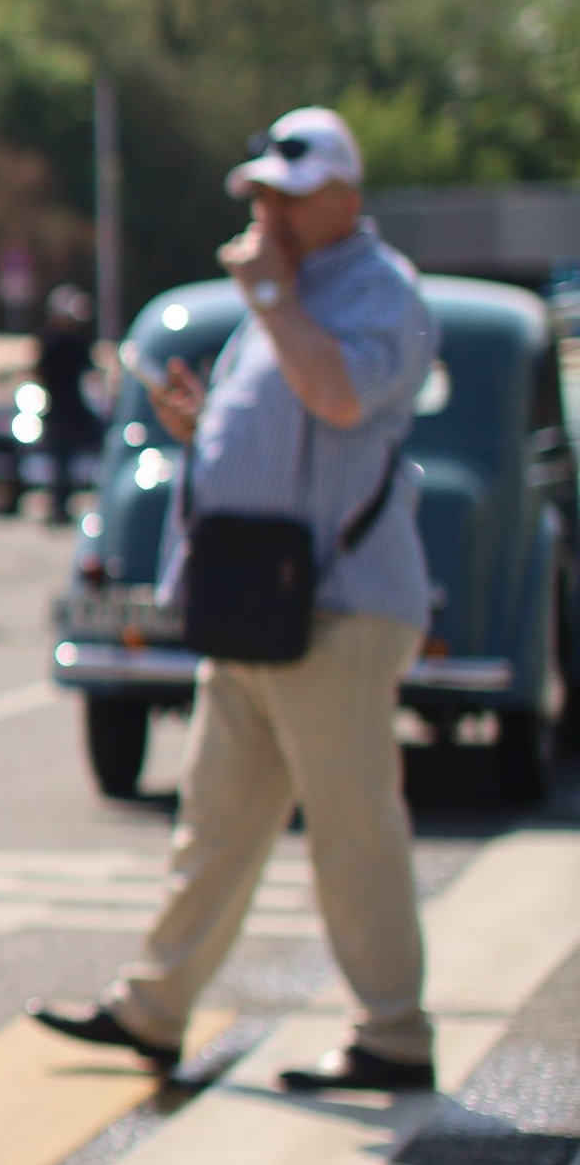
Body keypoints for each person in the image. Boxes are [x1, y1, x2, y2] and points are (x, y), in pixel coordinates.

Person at [33, 107, 440, 1094]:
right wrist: (201, 424)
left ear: (345, 197)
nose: (269, 215)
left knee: (349, 827)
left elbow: (340, 398)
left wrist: (268, 300)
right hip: (260, 608)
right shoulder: (286, 296)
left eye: (289, 197)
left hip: (334, 606)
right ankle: (155, 1004)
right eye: (260, 196)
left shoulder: (373, 295)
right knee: (214, 821)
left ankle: (392, 1032)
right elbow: (288, 434)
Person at [36, 283, 102, 524]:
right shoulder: (57, 341)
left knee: (68, 460)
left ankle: (64, 504)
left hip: (70, 408)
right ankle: (59, 505)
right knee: (61, 461)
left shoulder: (68, 341)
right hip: (62, 408)